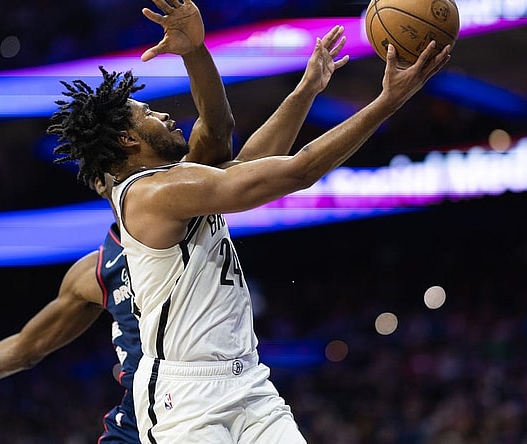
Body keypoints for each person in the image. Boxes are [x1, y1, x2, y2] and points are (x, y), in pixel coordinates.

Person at [0, 2, 350, 442]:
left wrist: (271, 79)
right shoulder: (99, 267)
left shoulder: (177, 195)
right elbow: (27, 346)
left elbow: (230, 143)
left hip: (207, 400)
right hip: (150, 418)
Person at [48, 19, 451, 442]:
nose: (163, 114)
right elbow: (298, 171)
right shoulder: (150, 193)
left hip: (248, 380)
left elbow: (248, 163)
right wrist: (388, 102)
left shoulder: (177, 183)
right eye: (148, 114)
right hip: (185, 397)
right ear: (128, 140)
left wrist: (306, 89)